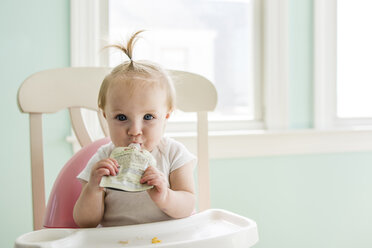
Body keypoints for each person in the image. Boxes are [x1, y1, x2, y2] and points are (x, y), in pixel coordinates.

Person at [73, 30, 196, 228]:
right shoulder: (103, 159)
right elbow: (85, 222)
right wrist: (93, 189)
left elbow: (188, 204)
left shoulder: (173, 154)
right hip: (116, 242)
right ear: (105, 116)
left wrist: (165, 196)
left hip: (168, 240)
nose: (135, 130)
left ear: (166, 116)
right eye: (121, 118)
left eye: (148, 117)